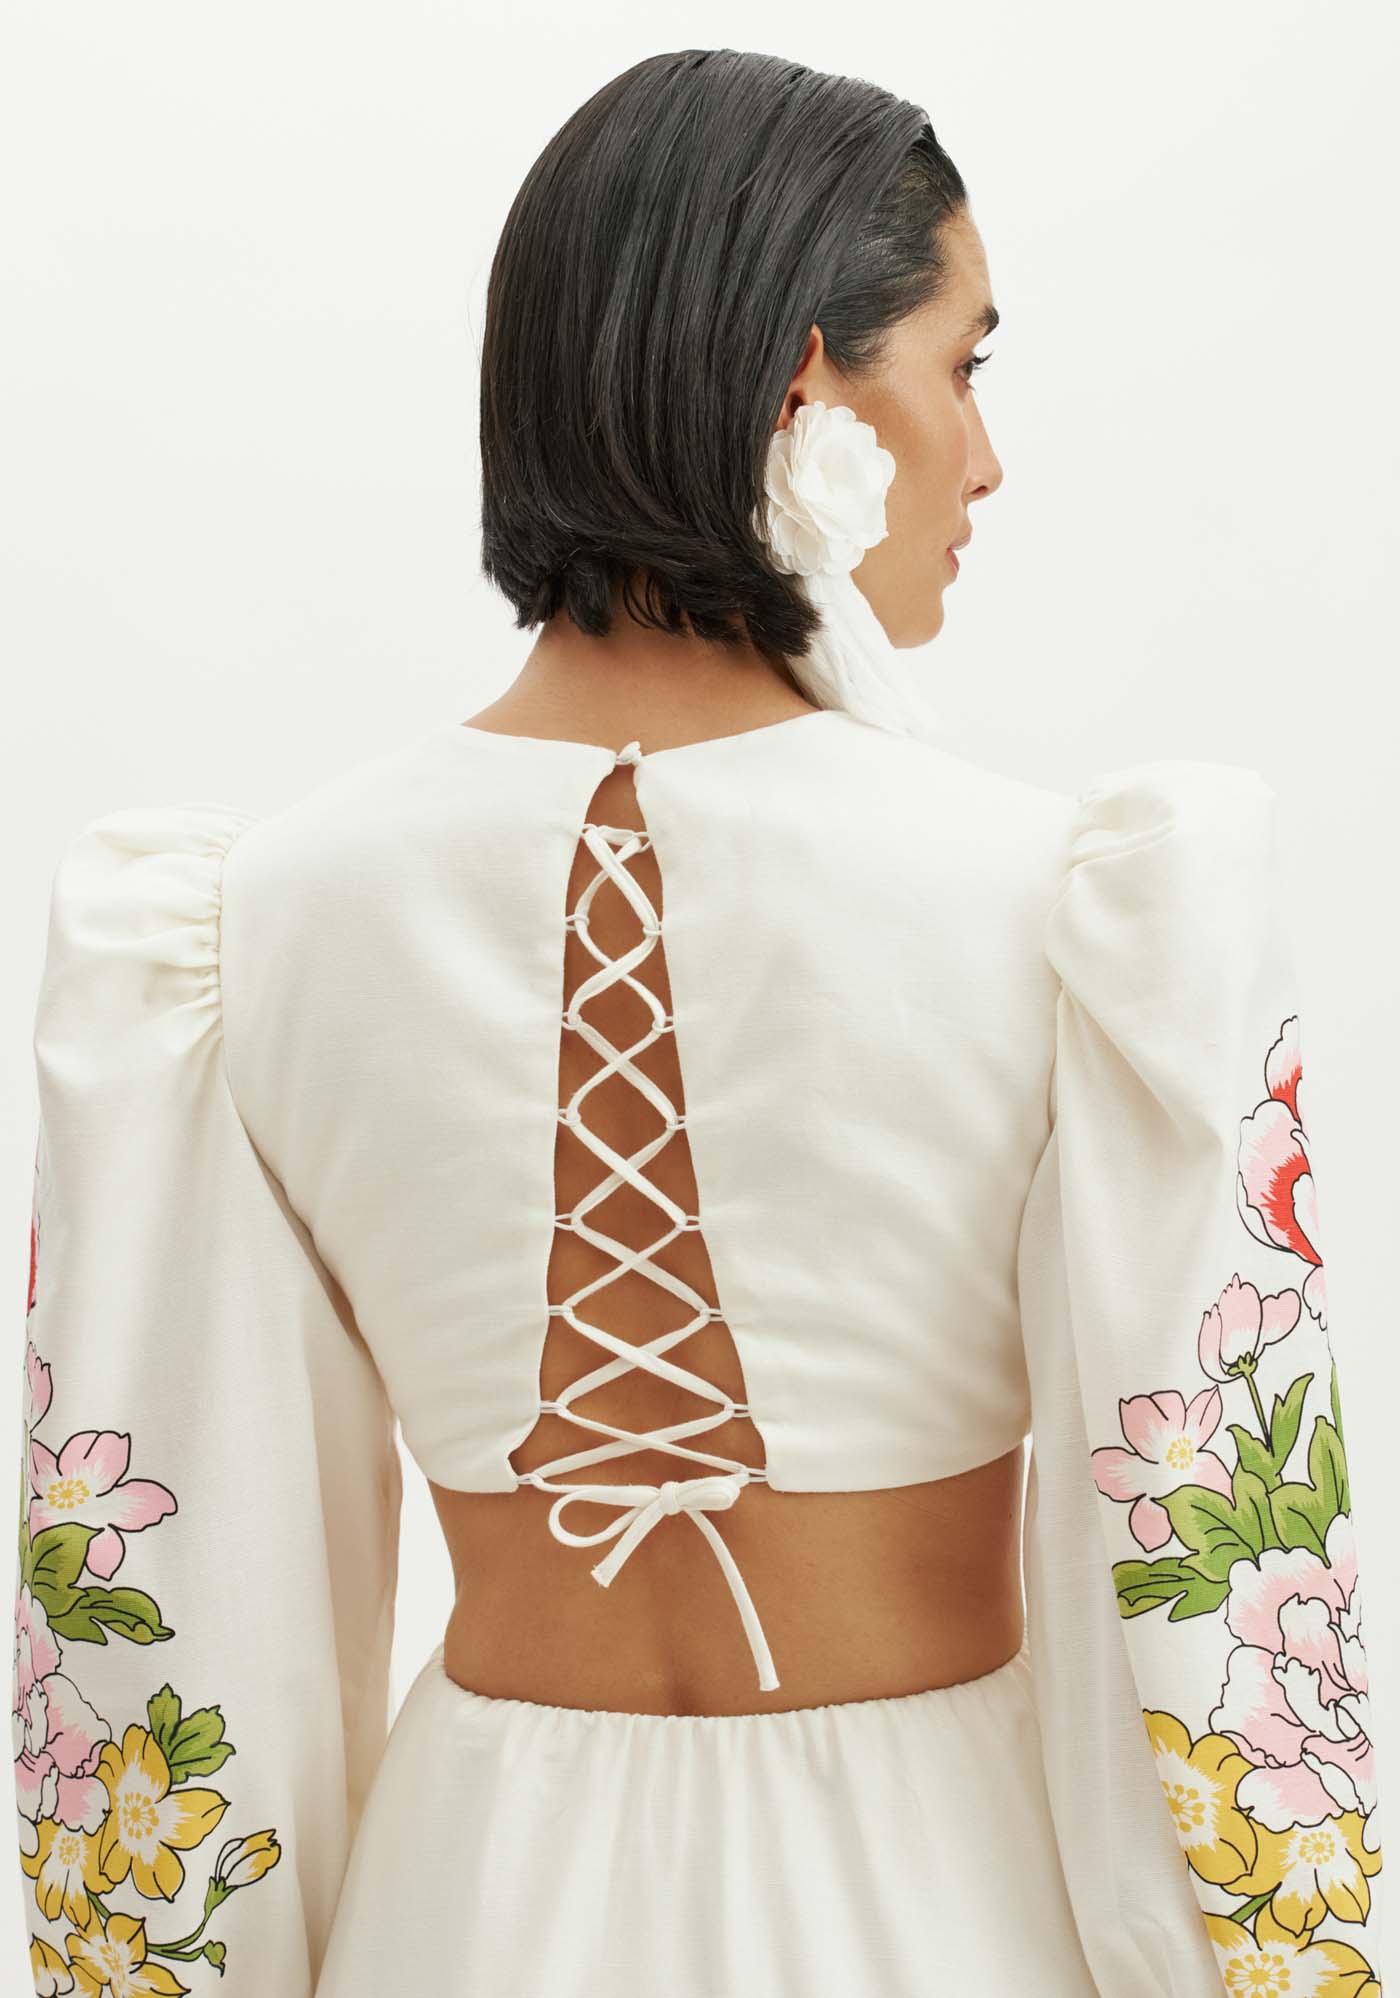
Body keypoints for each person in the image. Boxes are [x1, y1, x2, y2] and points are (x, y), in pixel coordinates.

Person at [12, 45, 1383, 1998]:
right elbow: (1209, 1588)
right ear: (808, 388)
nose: (985, 461)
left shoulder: (245, 926)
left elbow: (173, 1599)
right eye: (965, 367)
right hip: (937, 1907)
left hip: (466, 1912)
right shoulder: (1072, 908)